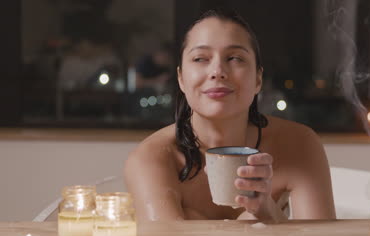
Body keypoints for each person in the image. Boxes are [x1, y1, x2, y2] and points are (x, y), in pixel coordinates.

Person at [124, 9, 336, 222]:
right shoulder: (152, 159)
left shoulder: (298, 145)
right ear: (181, 79)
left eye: (235, 58)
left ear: (258, 80)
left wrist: (267, 211)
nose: (217, 70)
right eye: (200, 58)